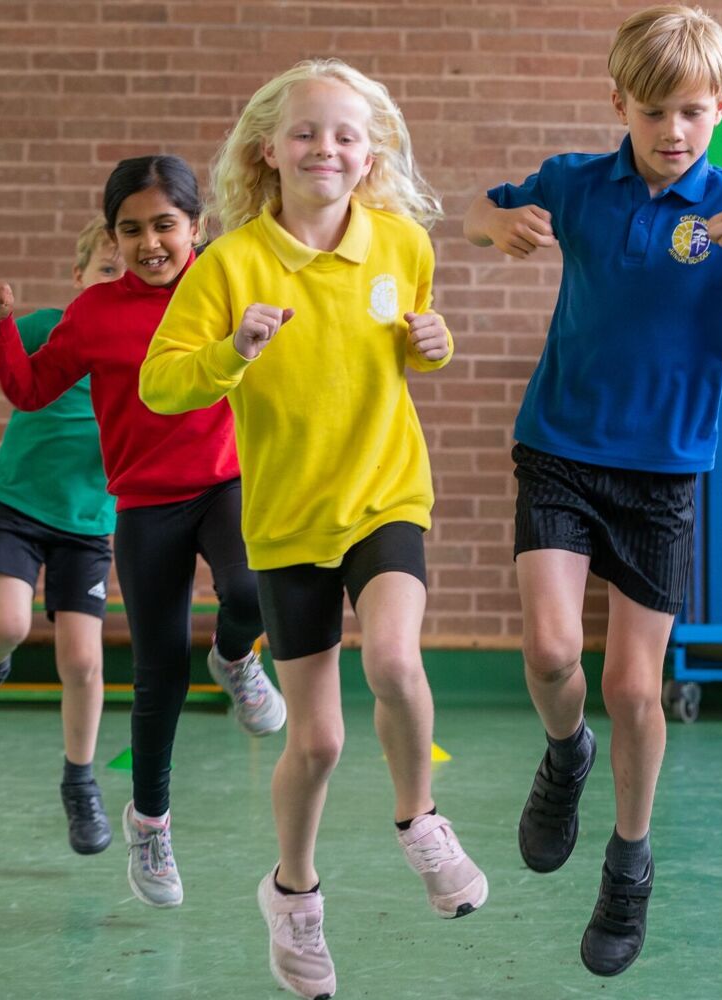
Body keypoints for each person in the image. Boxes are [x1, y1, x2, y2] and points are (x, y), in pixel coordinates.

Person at [462, 4, 722, 977]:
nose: (673, 131)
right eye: (654, 112)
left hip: (662, 473)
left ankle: (628, 861)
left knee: (631, 685)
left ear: (719, 106)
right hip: (559, 448)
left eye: (692, 111)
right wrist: (497, 224)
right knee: (551, 650)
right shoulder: (576, 182)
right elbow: (477, 209)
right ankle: (565, 753)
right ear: (620, 104)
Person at [141, 59, 484, 1000]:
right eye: (305, 132)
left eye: (344, 135)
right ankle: (292, 894)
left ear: (370, 154)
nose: (324, 148)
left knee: (396, 662)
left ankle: (420, 821)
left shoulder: (403, 245)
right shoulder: (229, 265)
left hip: (384, 494)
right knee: (319, 741)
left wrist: (437, 344)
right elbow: (161, 384)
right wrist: (232, 350)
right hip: (289, 521)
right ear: (269, 150)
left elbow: (410, 344)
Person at [0, 155, 286, 910]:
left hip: (225, 480)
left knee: (251, 590)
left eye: (165, 226)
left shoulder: (227, 286)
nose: (150, 244)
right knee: (159, 674)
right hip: (145, 503)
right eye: (131, 229)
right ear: (113, 237)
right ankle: (150, 823)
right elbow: (30, 389)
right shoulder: (94, 314)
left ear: (196, 227)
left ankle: (235, 656)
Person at [0, 219, 124, 855]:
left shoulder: (145, 346)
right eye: (105, 270)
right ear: (79, 277)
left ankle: (80, 780)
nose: (117, 281)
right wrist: (22, 374)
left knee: (82, 660)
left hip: (88, 521)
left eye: (127, 271)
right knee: (9, 623)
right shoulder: (52, 327)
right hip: (20, 503)